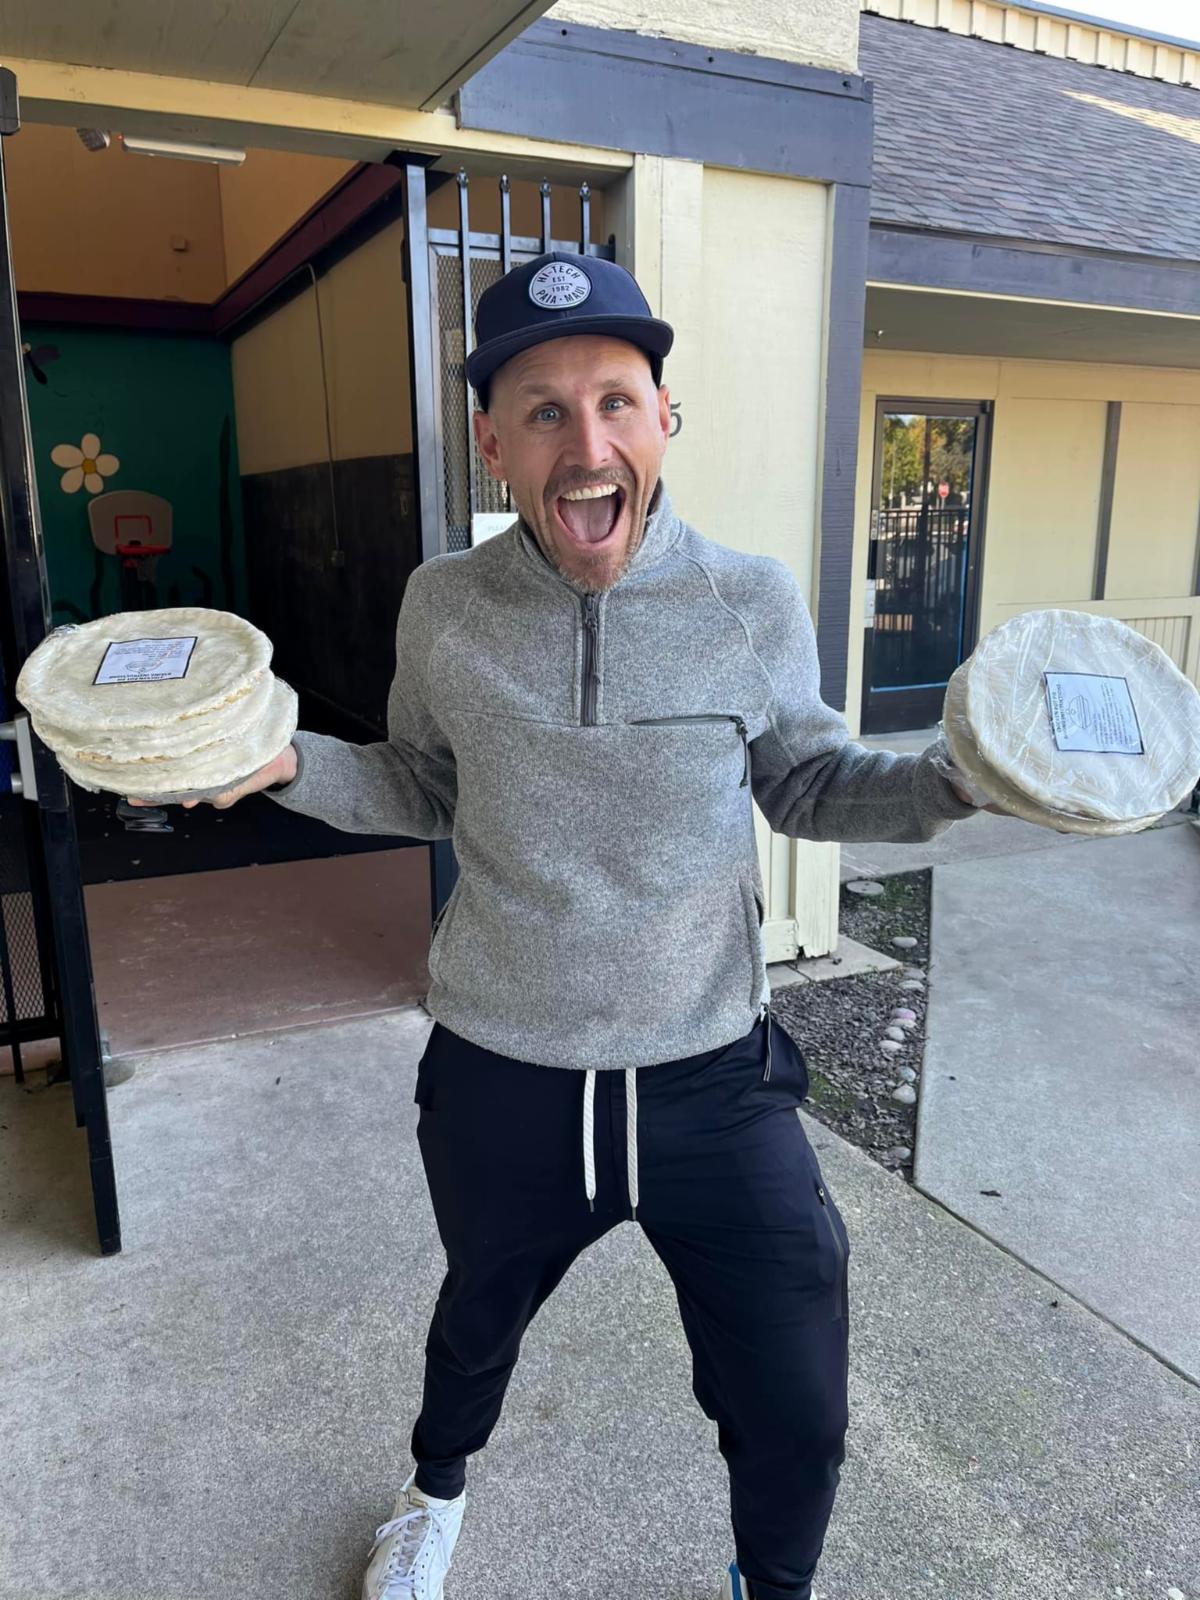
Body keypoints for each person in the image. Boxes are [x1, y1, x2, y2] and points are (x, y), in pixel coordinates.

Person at [135, 251, 988, 1600]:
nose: (585, 447)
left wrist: (958, 779)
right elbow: (423, 785)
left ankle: (774, 1587)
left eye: (615, 403)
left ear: (663, 422)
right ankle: (434, 1493)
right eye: (543, 411)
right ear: (493, 444)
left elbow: (811, 782)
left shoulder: (750, 600)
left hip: (710, 1076)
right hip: (503, 1073)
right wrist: (289, 764)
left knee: (796, 1388)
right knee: (476, 1317)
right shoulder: (444, 606)